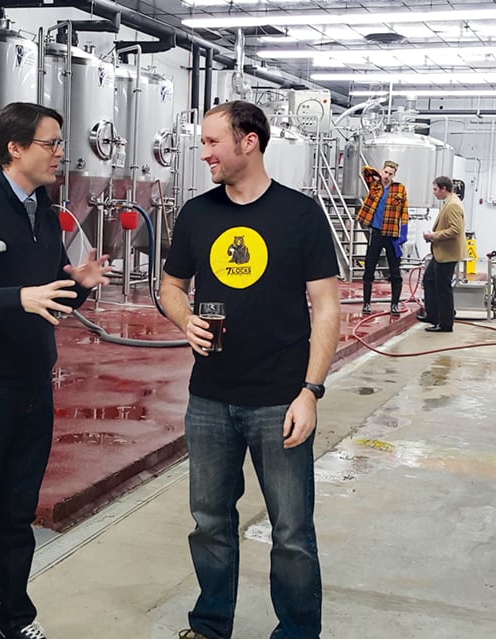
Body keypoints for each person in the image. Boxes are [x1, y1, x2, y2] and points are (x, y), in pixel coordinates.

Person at [0, 102, 112, 639]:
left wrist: (79, 282)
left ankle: (15, 620)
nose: (61, 153)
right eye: (51, 144)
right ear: (15, 148)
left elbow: (45, 295)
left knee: (19, 514)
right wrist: (19, 296)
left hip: (34, 384)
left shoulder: (45, 211)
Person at [159, 100, 341, 639]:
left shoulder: (300, 214)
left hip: (279, 400)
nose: (203, 152)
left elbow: (327, 308)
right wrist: (184, 318)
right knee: (210, 523)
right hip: (210, 398)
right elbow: (171, 287)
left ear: (249, 142)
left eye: (213, 142)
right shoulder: (198, 213)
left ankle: (297, 632)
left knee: (291, 531)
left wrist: (310, 391)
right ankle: (212, 625)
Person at [355, 159, 408, 316]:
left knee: (395, 270)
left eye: (390, 174)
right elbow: (365, 170)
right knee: (369, 268)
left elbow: (404, 212)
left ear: (394, 175)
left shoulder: (399, 189)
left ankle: (395, 304)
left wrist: (403, 233)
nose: (387, 176)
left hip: (391, 234)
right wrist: (378, 174)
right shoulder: (374, 185)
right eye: (385, 172)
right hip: (376, 232)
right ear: (382, 171)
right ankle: (366, 304)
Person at [422, 176, 465, 333]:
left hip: (447, 253)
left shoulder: (453, 205)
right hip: (441, 252)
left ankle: (445, 324)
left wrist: (433, 236)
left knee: (443, 288)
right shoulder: (449, 202)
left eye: (435, 189)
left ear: (443, 189)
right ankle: (433, 315)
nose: (434, 193)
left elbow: (455, 230)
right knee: (429, 280)